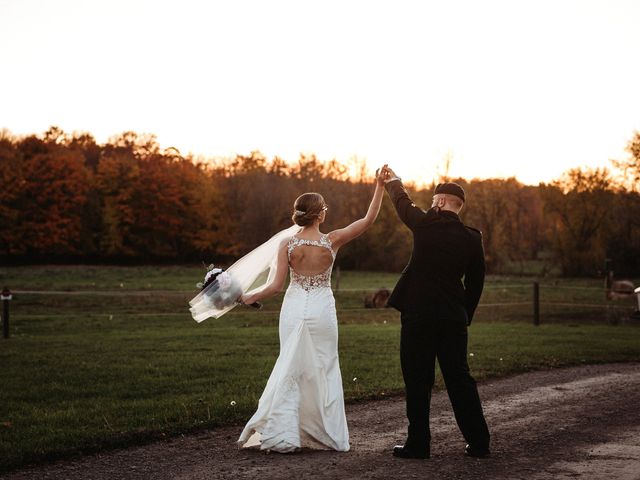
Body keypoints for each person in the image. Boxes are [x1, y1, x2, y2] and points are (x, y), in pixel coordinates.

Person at [237, 166, 387, 453]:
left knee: (290, 365)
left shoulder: (287, 244)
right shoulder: (332, 240)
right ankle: (326, 434)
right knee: (324, 367)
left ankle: (284, 433)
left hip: (293, 308)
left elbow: (275, 287)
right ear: (320, 214)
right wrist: (379, 185)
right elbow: (368, 220)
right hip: (321, 309)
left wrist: (248, 296)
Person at [381, 166, 490, 460]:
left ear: (440, 202)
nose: (430, 205)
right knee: (459, 379)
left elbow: (402, 204)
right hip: (453, 318)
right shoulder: (472, 238)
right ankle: (479, 444)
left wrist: (393, 181)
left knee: (418, 379)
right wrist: (463, 313)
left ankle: (419, 444)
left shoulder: (425, 223)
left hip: (419, 315)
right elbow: (476, 282)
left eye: (432, 201)